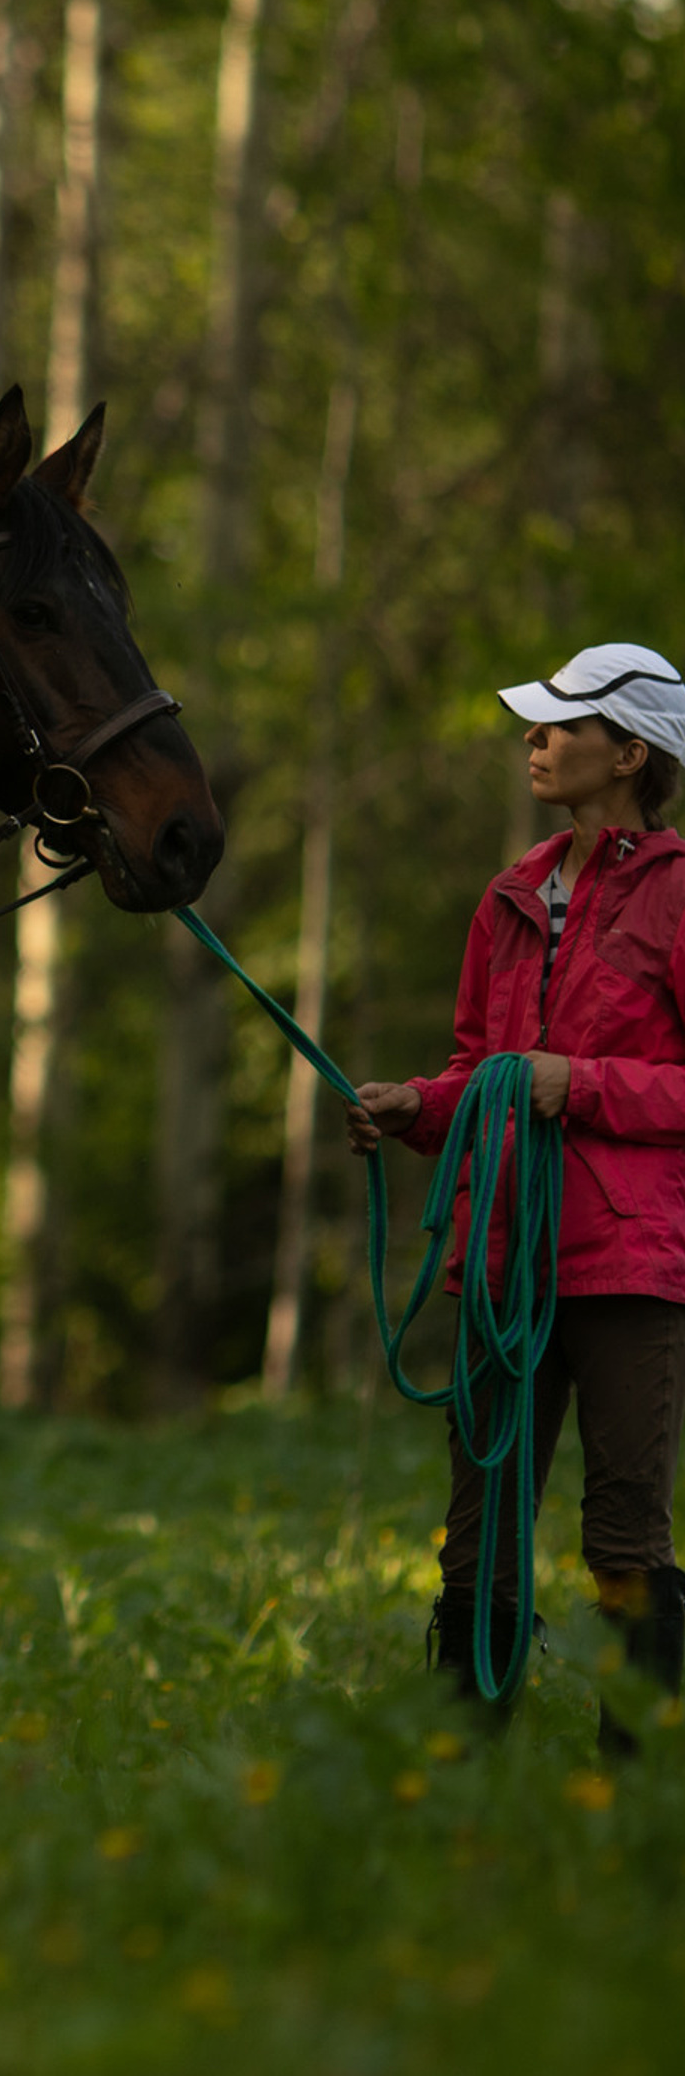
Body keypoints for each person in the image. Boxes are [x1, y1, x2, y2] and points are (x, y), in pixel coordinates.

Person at [348, 644, 685, 1746]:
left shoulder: (679, 892)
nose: (533, 739)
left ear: (630, 750)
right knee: (478, 1521)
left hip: (627, 1259)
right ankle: (462, 1759)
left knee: (624, 1526)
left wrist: (578, 1084)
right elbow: (476, 1068)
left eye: (560, 724)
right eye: (533, 724)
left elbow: (582, 1082)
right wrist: (417, 1108)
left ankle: (635, 1779)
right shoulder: (507, 896)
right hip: (501, 1259)